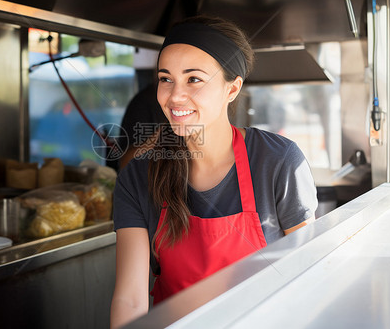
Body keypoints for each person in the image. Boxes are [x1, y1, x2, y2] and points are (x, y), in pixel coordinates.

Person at [110, 16, 318, 328]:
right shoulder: (139, 175)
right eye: (166, 79)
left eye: (193, 79)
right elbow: (131, 299)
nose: (175, 95)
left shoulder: (278, 162)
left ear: (232, 88)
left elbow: (308, 278)